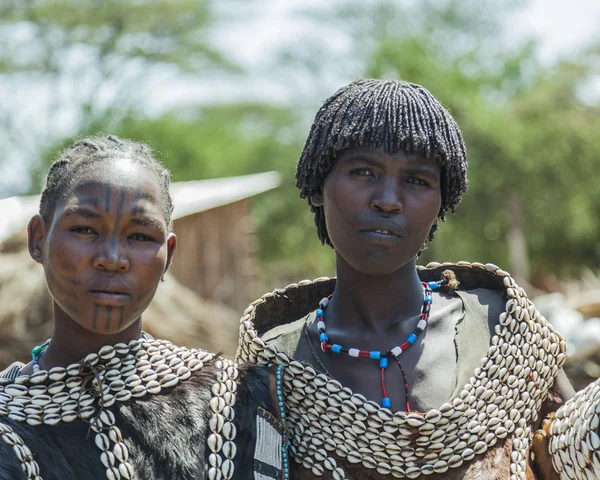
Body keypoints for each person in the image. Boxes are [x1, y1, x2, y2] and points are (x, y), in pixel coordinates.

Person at [236, 79, 576, 479]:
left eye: (417, 181)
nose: (389, 200)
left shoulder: (503, 330)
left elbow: (575, 455)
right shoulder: (273, 366)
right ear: (317, 187)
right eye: (363, 172)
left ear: (441, 201)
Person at [0, 135, 284, 480]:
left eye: (140, 237)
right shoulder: (9, 421)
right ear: (38, 239)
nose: (112, 259)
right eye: (85, 229)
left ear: (169, 256)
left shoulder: (240, 398)